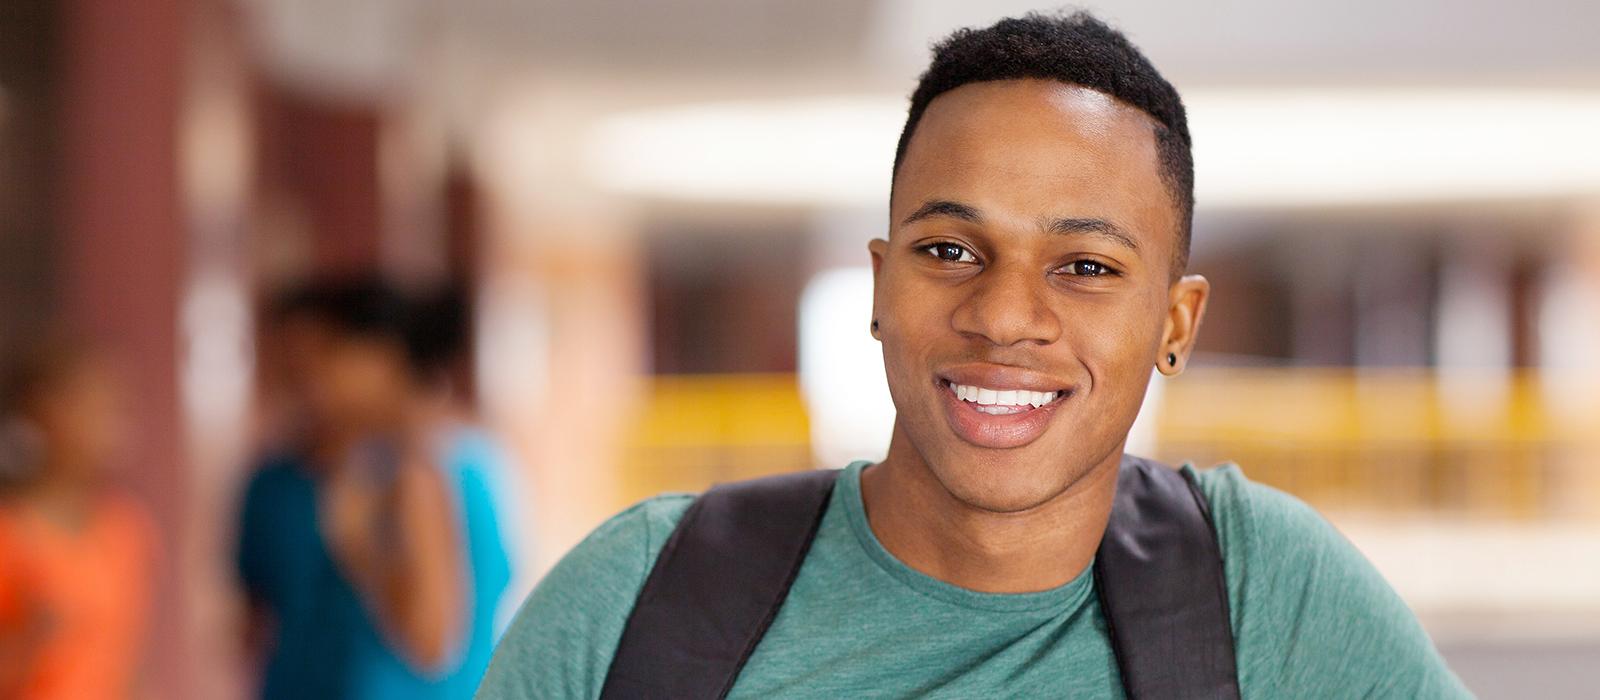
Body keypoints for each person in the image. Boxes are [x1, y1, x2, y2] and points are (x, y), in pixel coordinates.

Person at [477, 11, 1470, 699]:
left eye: (1082, 264)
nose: (1002, 315)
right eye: (948, 250)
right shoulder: (642, 595)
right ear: (878, 284)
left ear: (1176, 323)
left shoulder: (1263, 591)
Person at [237, 277, 518, 699]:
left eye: (329, 359)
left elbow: (431, 641)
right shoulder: (451, 454)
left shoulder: (417, 468)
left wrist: (358, 543)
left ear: (383, 360)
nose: (313, 383)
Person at [0, 340, 156, 699]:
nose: (111, 422)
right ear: (44, 412)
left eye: (116, 407)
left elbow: (127, 661)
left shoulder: (127, 528)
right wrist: (26, 647)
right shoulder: (11, 533)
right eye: (92, 406)